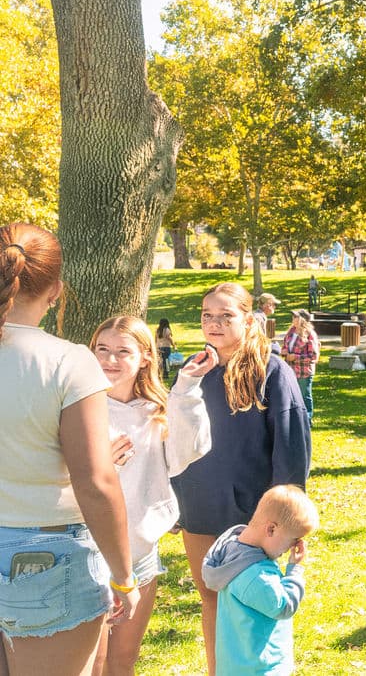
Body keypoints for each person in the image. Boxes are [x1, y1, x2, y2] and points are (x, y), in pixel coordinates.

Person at [0, 223, 139, 675]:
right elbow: (96, 482)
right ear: (56, 289)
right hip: (45, 557)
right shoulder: (67, 360)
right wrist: (124, 576)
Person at [170, 282, 311, 675]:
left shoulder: (272, 371)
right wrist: (172, 502)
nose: (214, 324)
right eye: (207, 315)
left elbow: (290, 446)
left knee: (252, 605)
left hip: (254, 517)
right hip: (199, 508)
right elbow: (174, 442)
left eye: (225, 315)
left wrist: (285, 515)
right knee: (212, 599)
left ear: (248, 320)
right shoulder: (193, 371)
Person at [89, 316, 214, 676]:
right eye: (102, 349)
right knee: (92, 664)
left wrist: (188, 386)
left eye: (122, 352)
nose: (110, 360)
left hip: (140, 553)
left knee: (123, 660)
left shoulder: (157, 412)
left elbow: (188, 451)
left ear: (145, 357)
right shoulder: (80, 408)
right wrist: (96, 467)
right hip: (90, 554)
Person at [202, 485, 319, 676]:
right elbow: (283, 606)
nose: (293, 547)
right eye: (293, 539)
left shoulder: (234, 552)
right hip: (261, 668)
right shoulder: (255, 575)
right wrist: (294, 571)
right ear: (271, 529)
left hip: (237, 665)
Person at [282, 309, 321, 422]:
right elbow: (285, 345)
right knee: (292, 396)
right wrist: (284, 351)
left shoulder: (310, 335)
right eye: (293, 317)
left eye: (295, 317)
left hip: (304, 372)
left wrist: (295, 357)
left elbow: (313, 356)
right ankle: (295, 420)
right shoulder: (291, 331)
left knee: (304, 396)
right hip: (290, 370)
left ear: (302, 320)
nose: (293, 319)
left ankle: (307, 420)